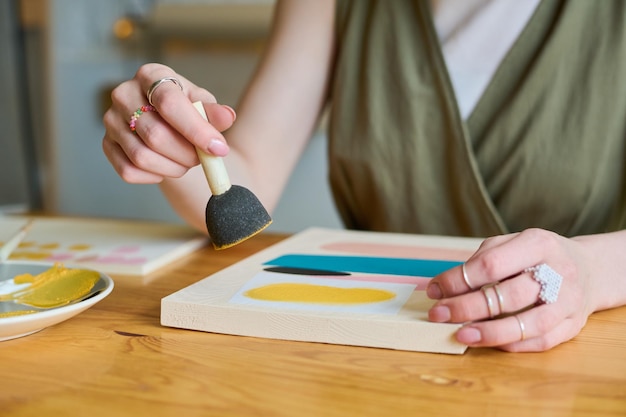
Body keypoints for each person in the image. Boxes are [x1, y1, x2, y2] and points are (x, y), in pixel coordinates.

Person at [102, 0, 626, 352]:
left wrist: (593, 271)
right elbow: (246, 185)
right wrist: (171, 134)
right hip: (369, 353)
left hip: (580, 356)